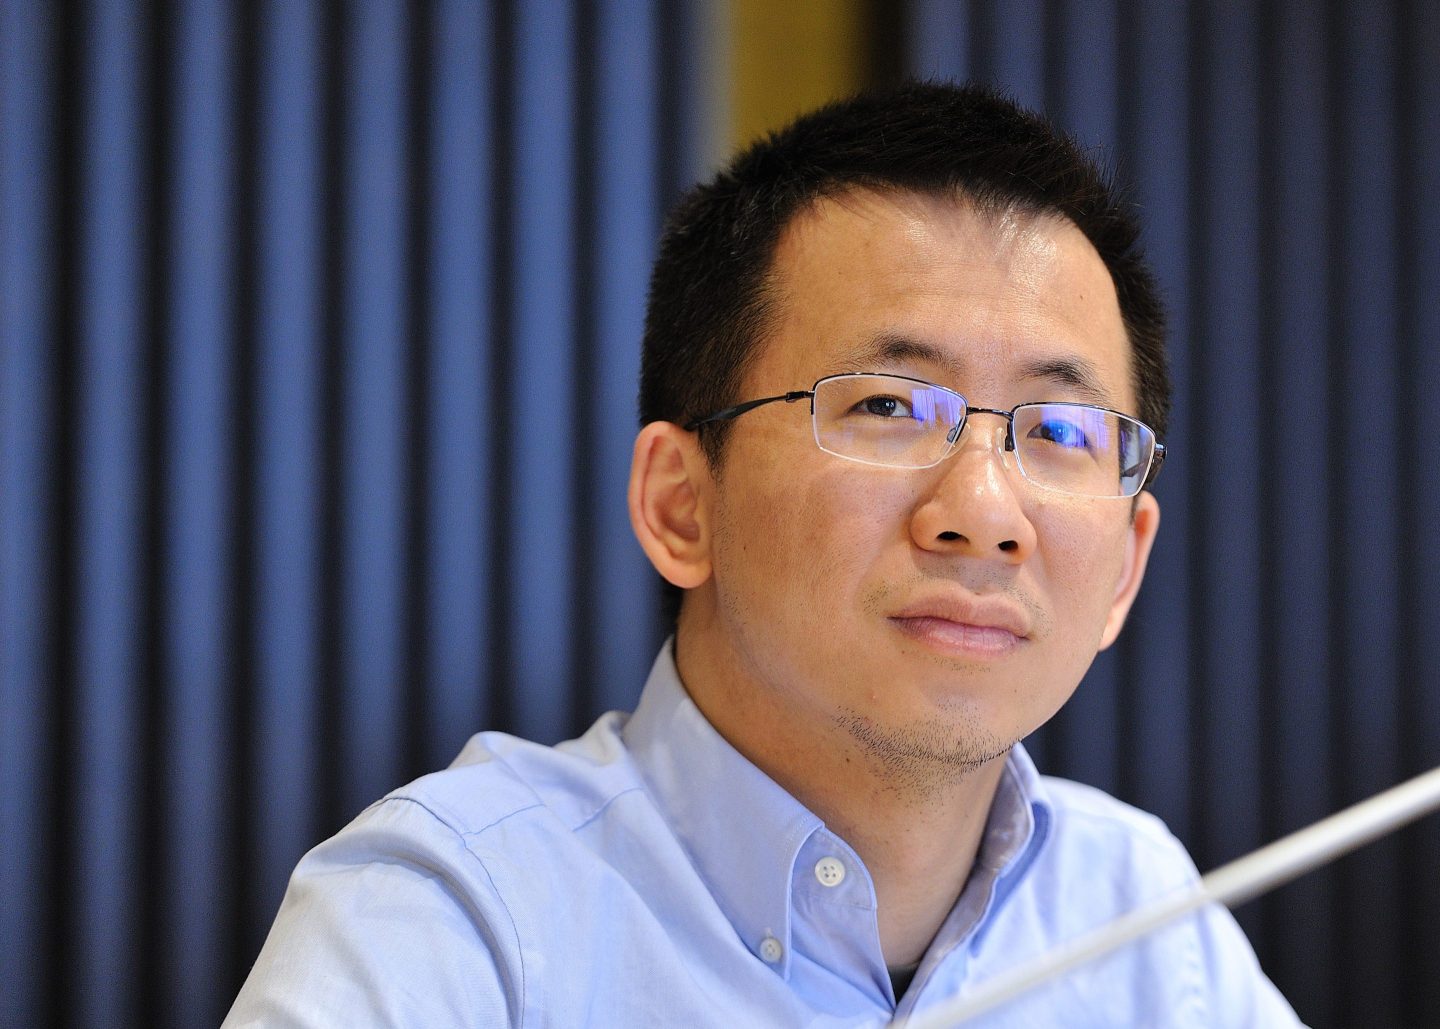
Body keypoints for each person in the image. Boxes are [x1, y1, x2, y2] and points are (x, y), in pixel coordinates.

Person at [225, 82, 1302, 1027]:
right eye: (888, 404)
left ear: (1125, 569)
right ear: (681, 506)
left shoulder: (1150, 928)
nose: (984, 511)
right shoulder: (459, 918)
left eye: (1060, 430)